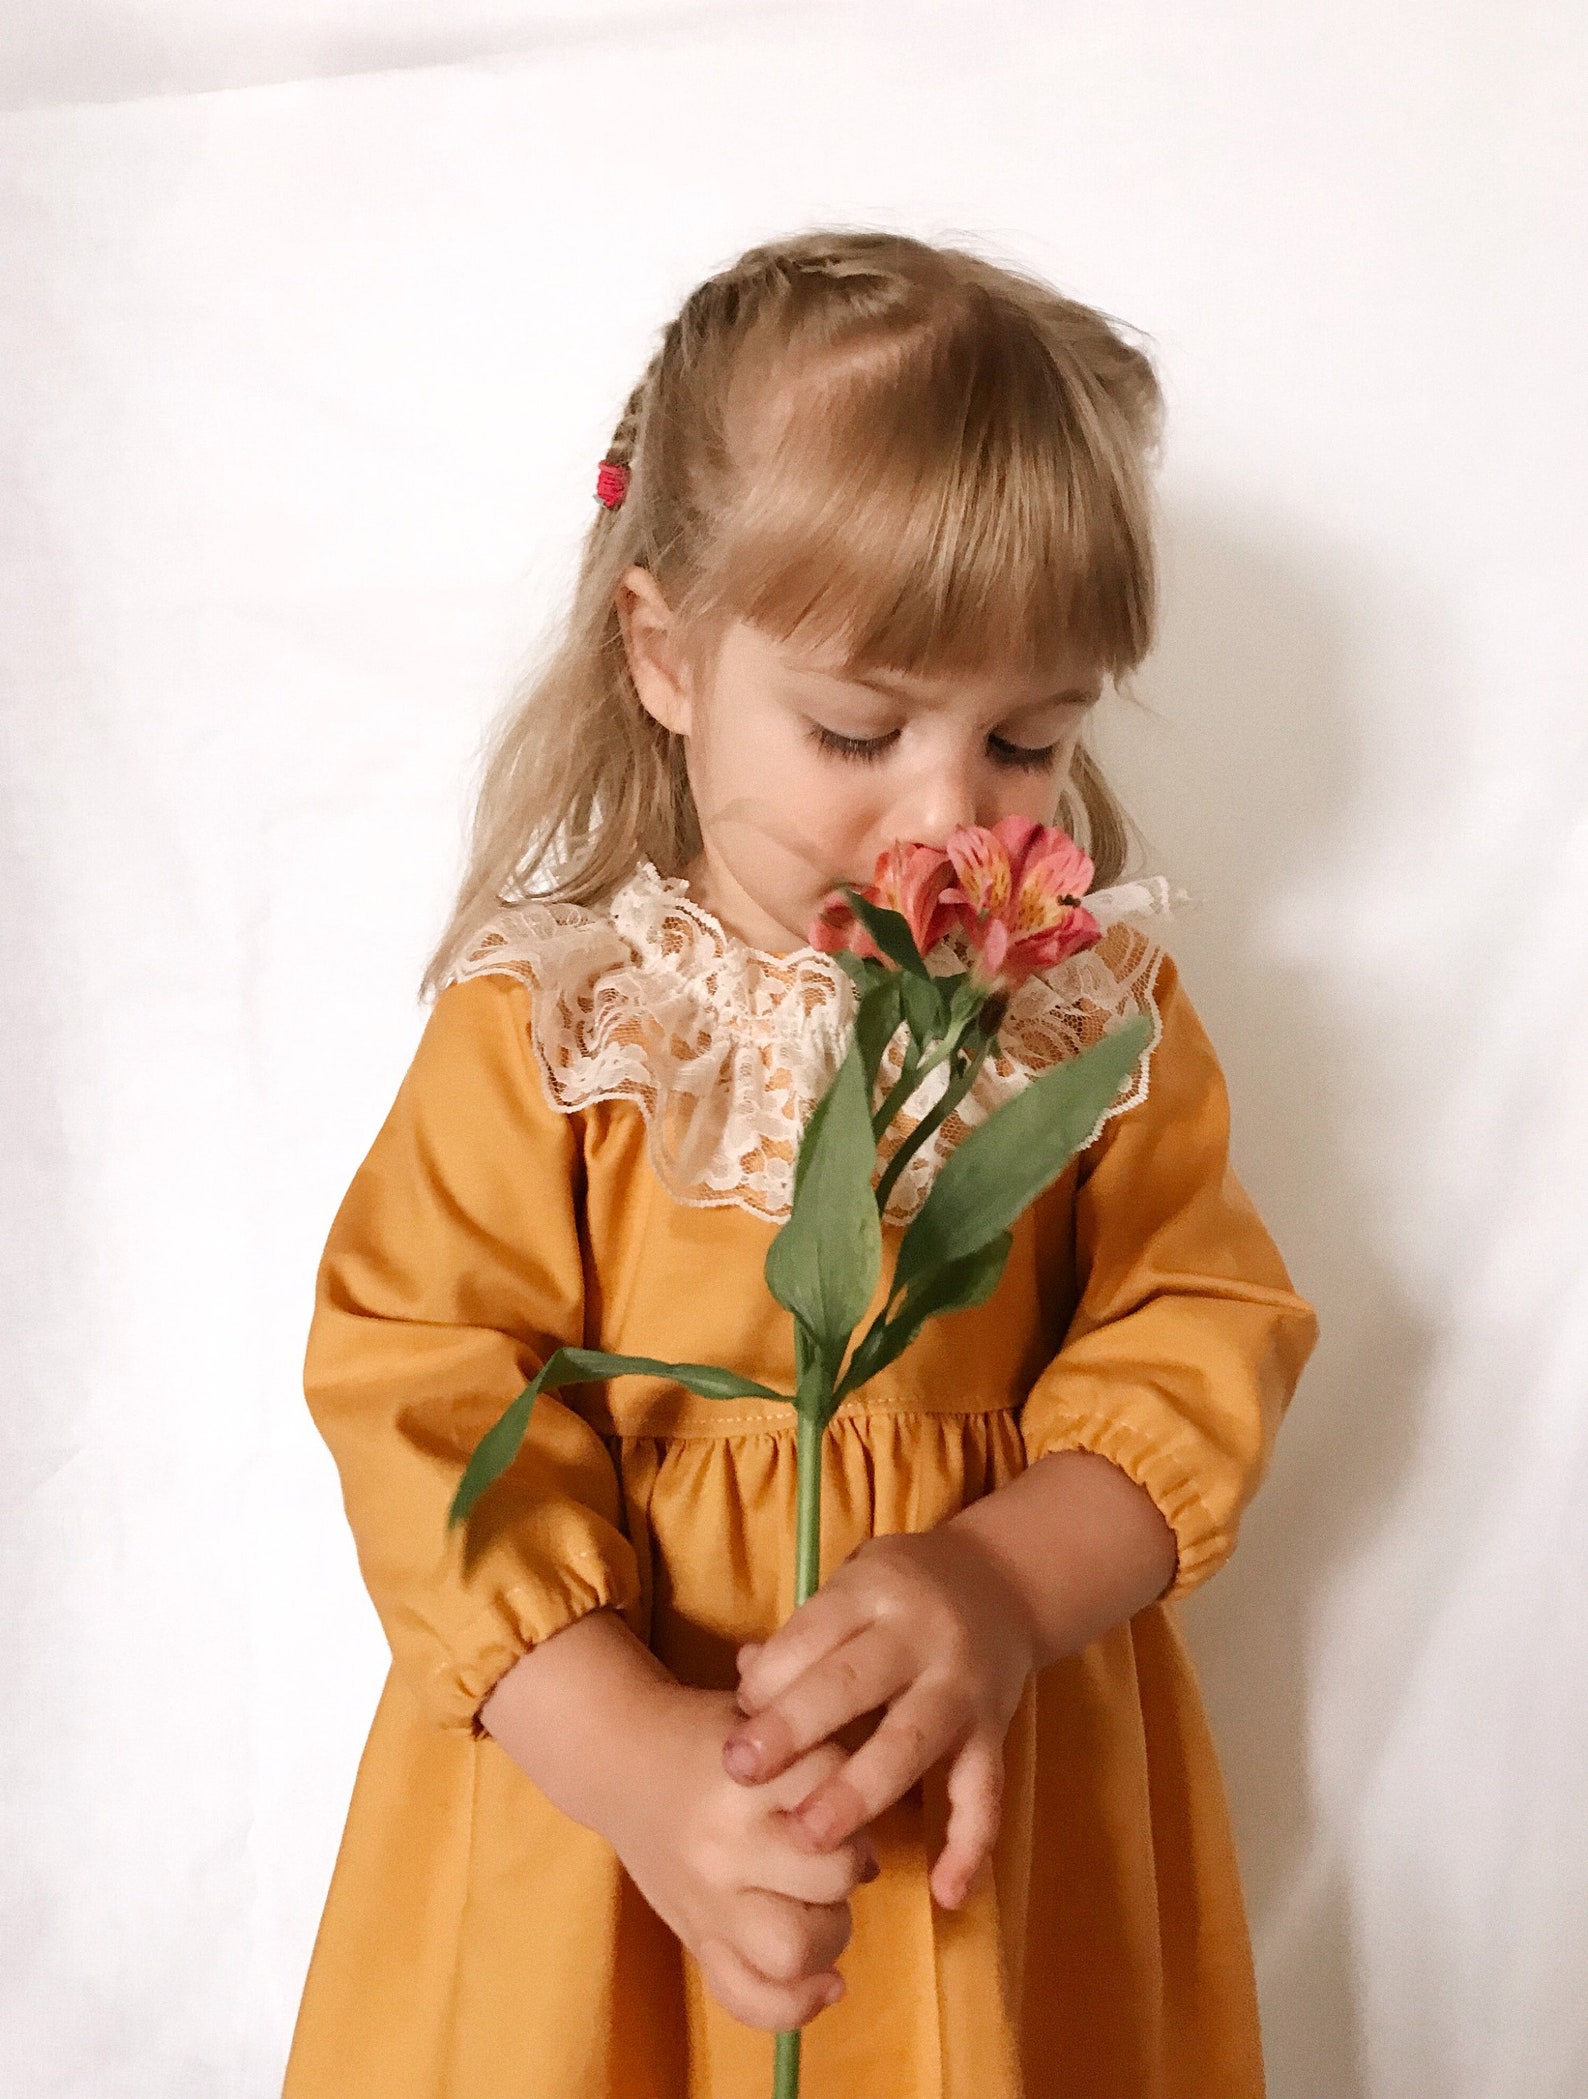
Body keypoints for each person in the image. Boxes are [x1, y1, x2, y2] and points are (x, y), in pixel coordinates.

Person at [283, 229, 1318, 2099]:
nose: (950, 812)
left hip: (986, 1815)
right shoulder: (564, 1030)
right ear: (666, 655)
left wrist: (1003, 1588)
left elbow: (1202, 1327)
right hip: (601, 1819)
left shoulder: (1085, 1027)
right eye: (859, 727)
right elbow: (416, 1390)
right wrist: (628, 1761)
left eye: (1029, 739)